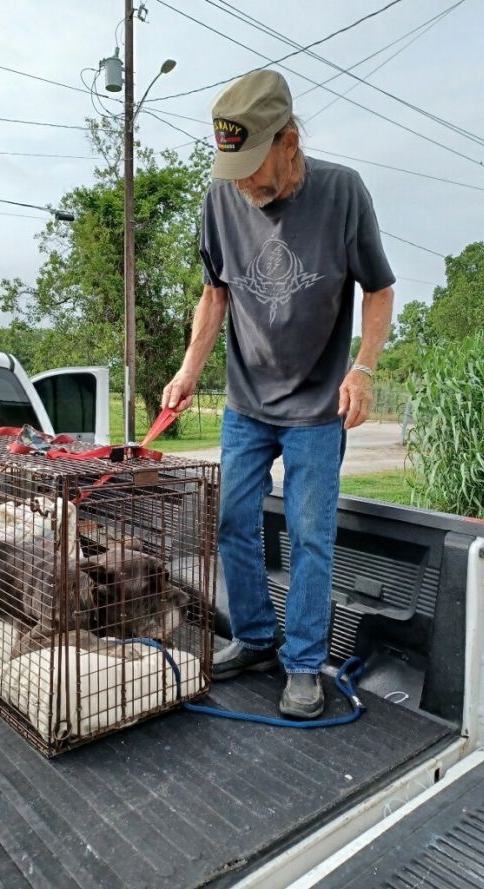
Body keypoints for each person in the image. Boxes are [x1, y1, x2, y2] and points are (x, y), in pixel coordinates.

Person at [162, 69, 395, 719]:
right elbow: (215, 294)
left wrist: (363, 368)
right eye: (231, 172)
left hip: (317, 405)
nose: (243, 187)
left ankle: (301, 664)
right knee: (233, 520)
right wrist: (186, 371)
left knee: (309, 532)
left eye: (253, 172)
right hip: (244, 400)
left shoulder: (343, 193)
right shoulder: (219, 198)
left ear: (288, 140)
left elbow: (378, 289)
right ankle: (257, 638)